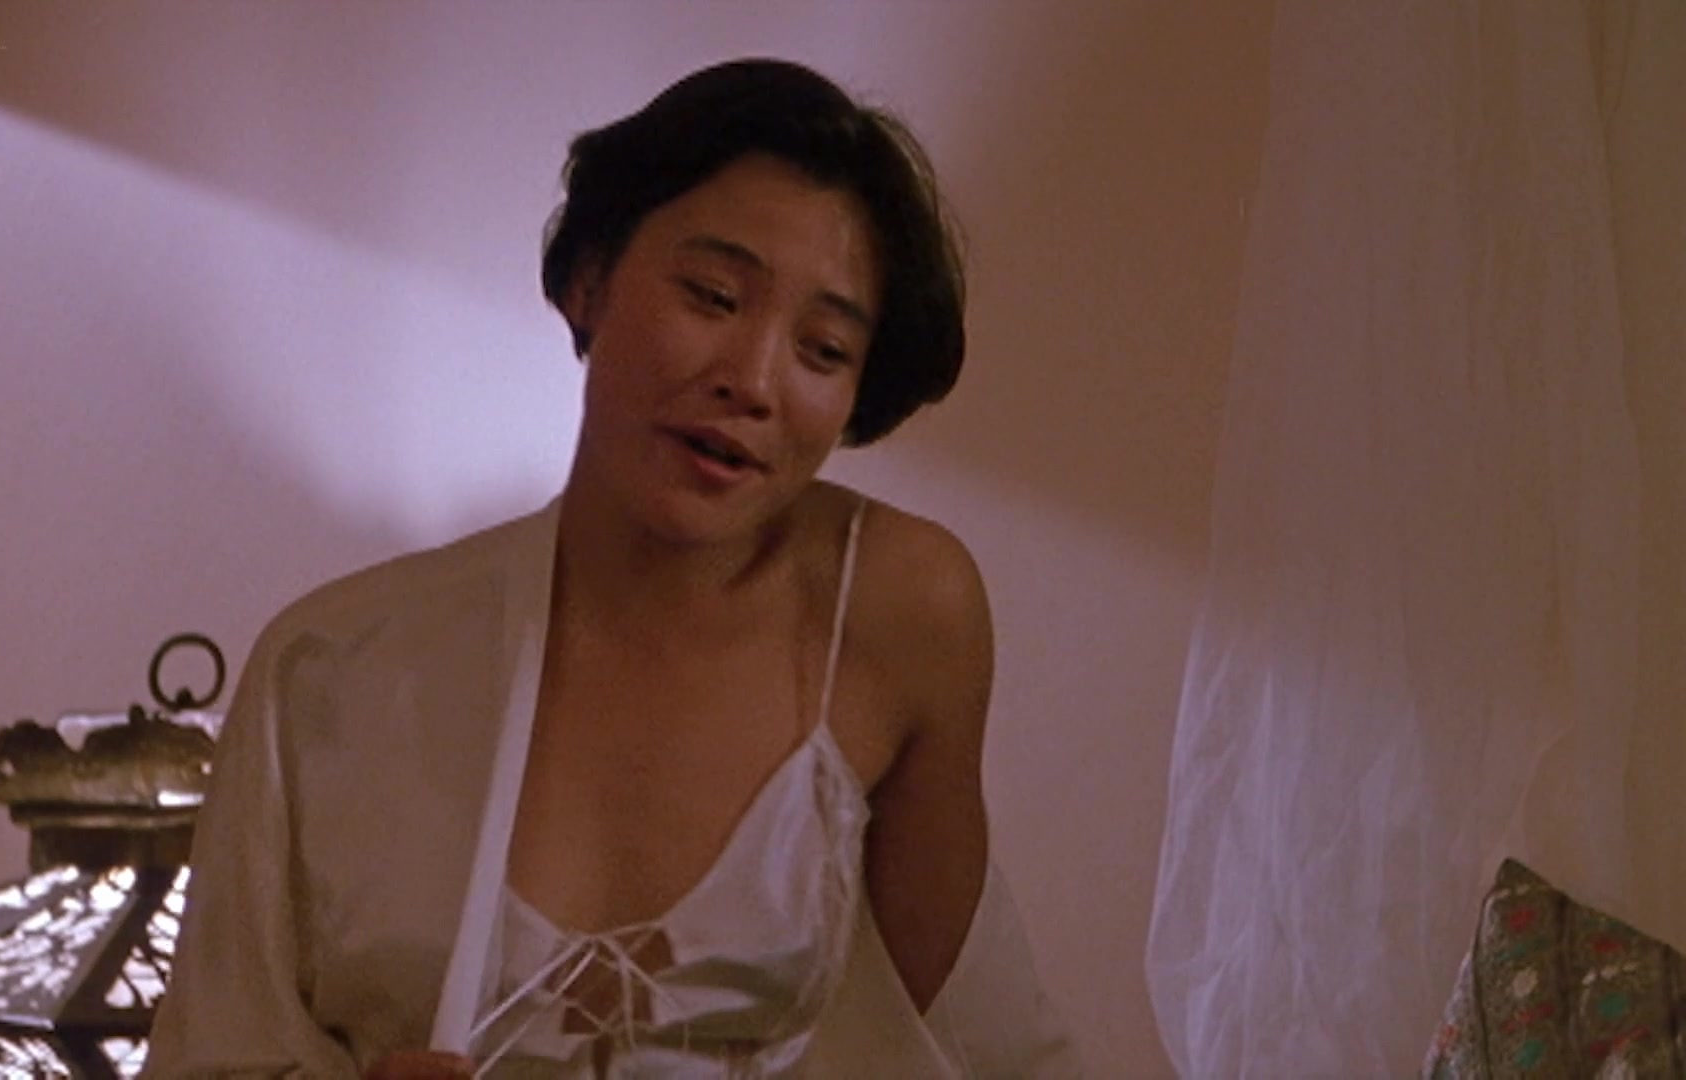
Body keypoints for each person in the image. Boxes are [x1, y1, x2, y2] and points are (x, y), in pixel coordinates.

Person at [143, 58, 1080, 1077]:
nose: (753, 380)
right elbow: (212, 1055)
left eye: (821, 350)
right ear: (590, 280)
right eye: (713, 296)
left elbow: (974, 1052)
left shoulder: (895, 606)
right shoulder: (330, 667)